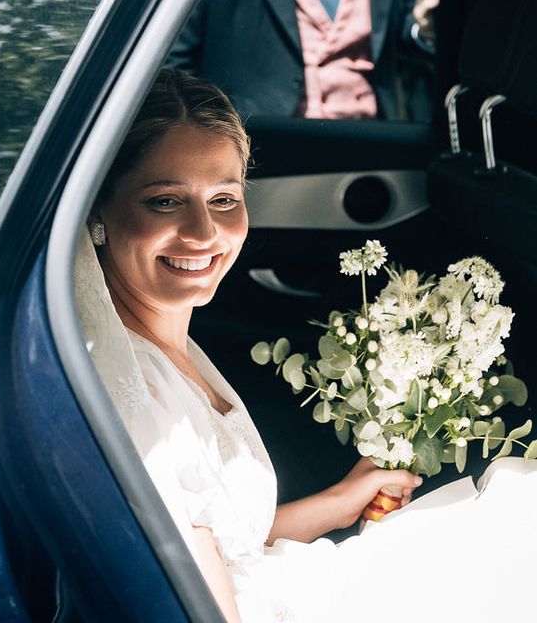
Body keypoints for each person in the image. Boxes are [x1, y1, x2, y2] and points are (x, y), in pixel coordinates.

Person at [77, 69, 537, 622]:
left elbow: (221, 543)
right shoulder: (128, 394)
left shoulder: (164, 345)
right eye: (165, 202)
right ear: (99, 209)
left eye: (224, 199)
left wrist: (335, 504)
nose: (204, 233)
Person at [167, 0, 438, 121]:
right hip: (263, 137)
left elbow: (402, 40)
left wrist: (421, 30)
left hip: (370, 132)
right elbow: (176, 62)